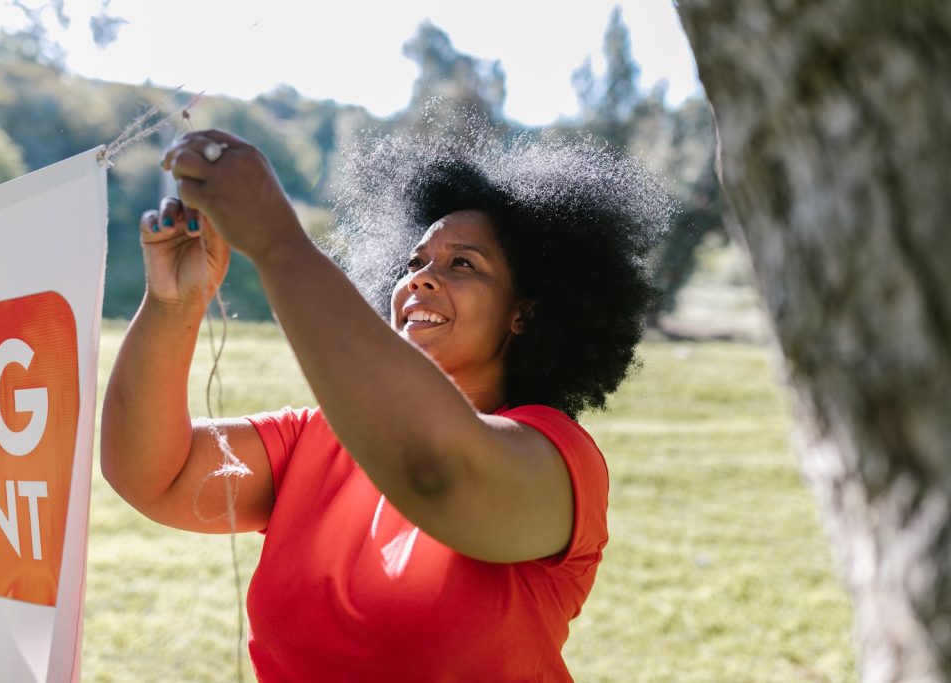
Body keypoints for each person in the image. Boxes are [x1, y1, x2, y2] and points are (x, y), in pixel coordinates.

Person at [101, 118, 670, 681]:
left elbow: (439, 472)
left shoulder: (557, 458)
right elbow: (155, 475)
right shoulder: (316, 439)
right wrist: (173, 304)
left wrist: (278, 242)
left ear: (524, 314)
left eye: (462, 264)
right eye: (414, 262)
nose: (419, 278)